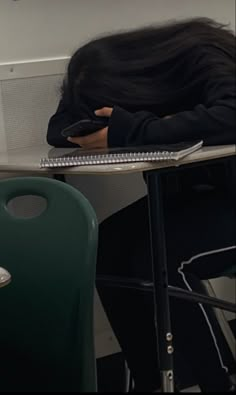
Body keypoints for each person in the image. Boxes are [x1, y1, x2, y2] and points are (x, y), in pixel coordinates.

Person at [47, 18, 236, 392]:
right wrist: (91, 125)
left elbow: (231, 116)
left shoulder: (207, 55)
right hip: (203, 199)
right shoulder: (154, 83)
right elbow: (59, 129)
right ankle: (156, 381)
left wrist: (135, 129)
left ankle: (216, 381)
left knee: (164, 257)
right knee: (106, 249)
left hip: (226, 197)